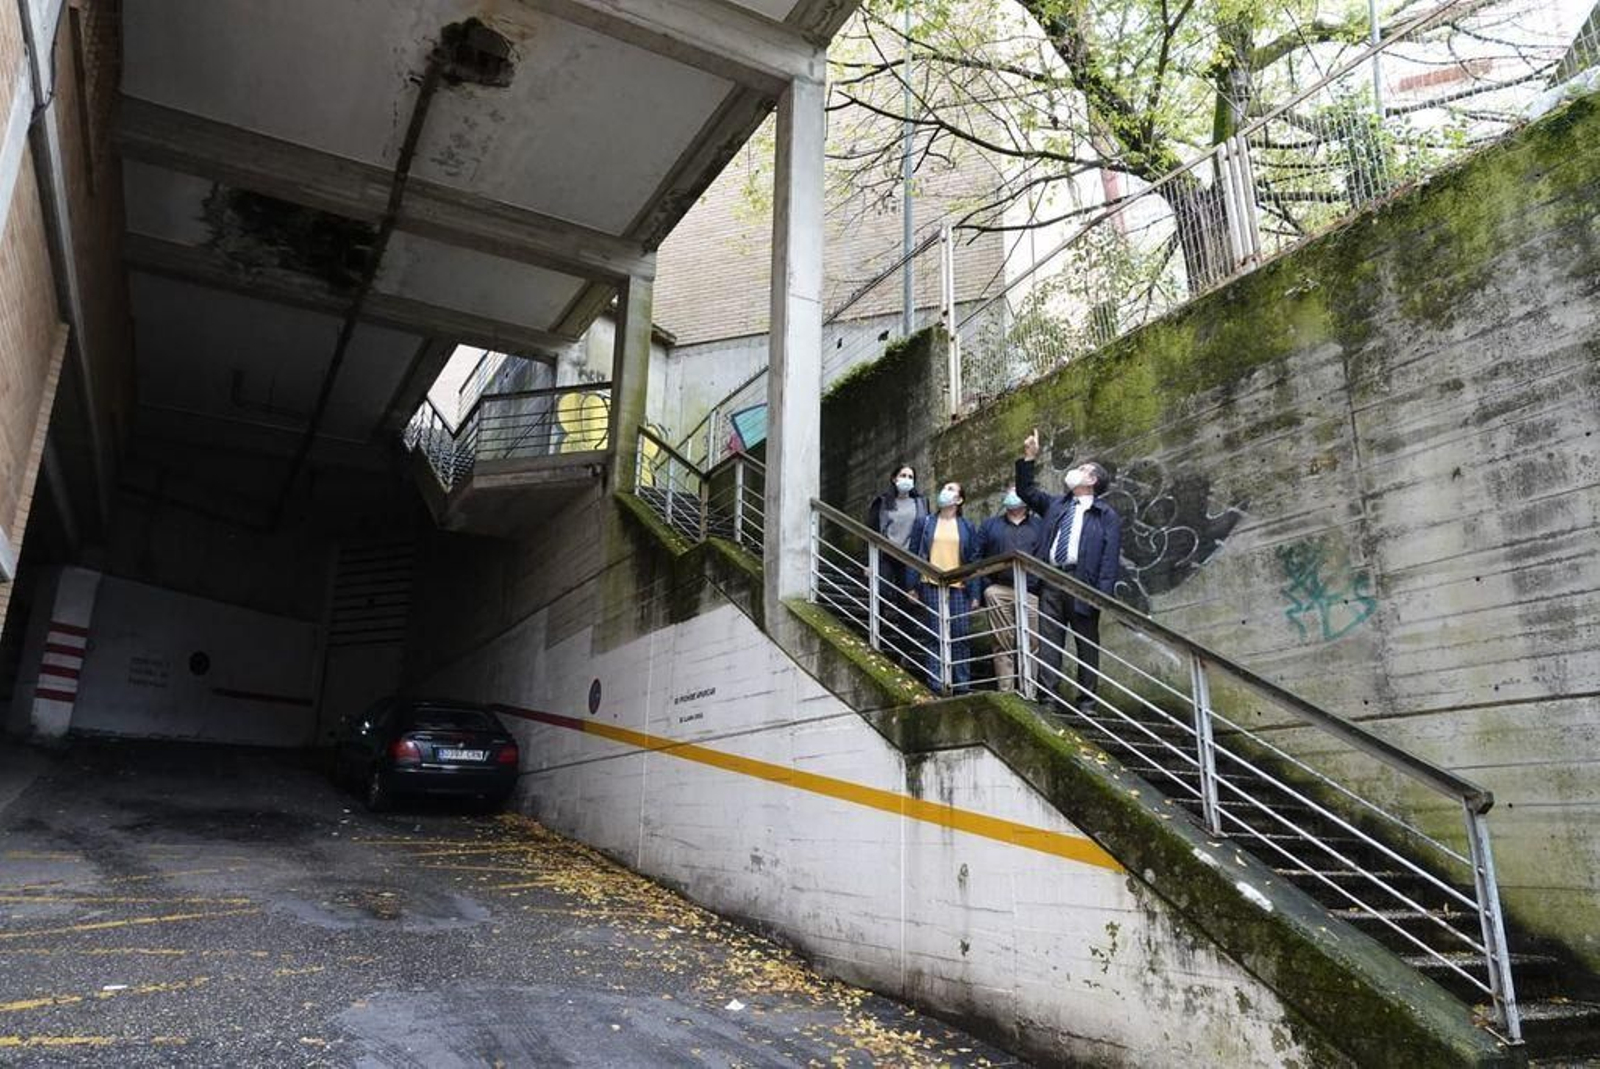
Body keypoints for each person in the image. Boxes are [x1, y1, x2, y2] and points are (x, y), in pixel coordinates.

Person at [1015, 429, 1122, 712]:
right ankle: (1048, 698)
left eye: (1083, 469)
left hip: (1083, 584)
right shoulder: (1056, 505)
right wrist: (1029, 457)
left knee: (1086, 643)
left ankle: (1087, 702)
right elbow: (1026, 491)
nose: (1076, 471)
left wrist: (1102, 596)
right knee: (1050, 641)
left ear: (1093, 480)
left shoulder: (1106, 515)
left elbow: (1110, 560)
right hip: (1052, 579)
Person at [908, 481, 983, 692]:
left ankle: (962, 685)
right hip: (930, 584)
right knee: (934, 634)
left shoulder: (967, 526)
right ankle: (936, 683)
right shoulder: (925, 523)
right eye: (944, 488)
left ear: (959, 500)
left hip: (958, 586)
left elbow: (973, 562)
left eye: (951, 489)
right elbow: (914, 555)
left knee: (960, 635)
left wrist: (975, 594)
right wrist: (911, 586)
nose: (945, 492)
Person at [977, 486, 1045, 691]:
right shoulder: (990, 526)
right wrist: (987, 586)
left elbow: (1045, 557)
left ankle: (1029, 690)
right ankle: (1006, 690)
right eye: (1008, 491)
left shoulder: (1039, 526)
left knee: (1032, 642)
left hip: (1031, 592)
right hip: (999, 589)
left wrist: (1038, 586)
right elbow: (977, 557)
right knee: (1002, 641)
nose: (1011, 495)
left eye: (1016, 491)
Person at [865, 464, 928, 663]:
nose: (907, 479)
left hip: (909, 558)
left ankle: (905, 652)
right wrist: (868, 563)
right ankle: (876, 640)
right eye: (903, 475)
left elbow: (926, 532)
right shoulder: (882, 502)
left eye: (910, 476)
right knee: (880, 593)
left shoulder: (921, 503)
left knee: (907, 603)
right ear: (894, 478)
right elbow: (871, 533)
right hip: (886, 555)